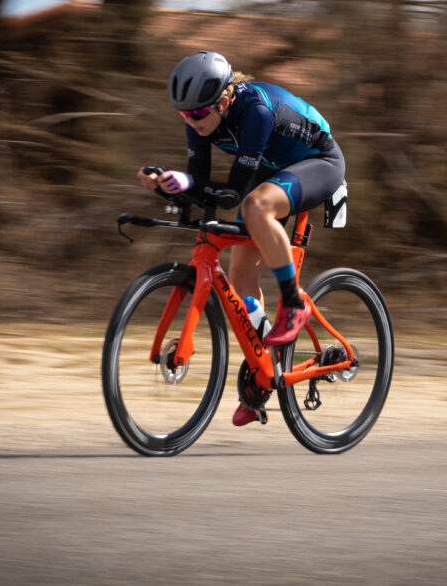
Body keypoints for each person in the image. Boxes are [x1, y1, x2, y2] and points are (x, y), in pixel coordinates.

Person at [137, 50, 345, 426]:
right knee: (240, 281)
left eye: (199, 113)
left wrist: (189, 186)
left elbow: (233, 193)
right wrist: (171, 183)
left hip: (320, 162)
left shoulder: (255, 111)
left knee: (254, 206)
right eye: (185, 114)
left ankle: (293, 303)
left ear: (224, 99)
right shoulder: (199, 118)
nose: (192, 121)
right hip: (274, 166)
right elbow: (199, 184)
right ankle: (264, 372)